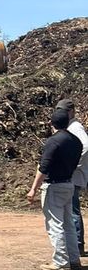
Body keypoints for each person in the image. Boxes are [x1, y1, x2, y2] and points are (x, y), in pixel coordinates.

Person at [27, 110, 83, 270]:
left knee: (55, 224)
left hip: (54, 186)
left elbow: (44, 167)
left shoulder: (53, 142)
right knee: (68, 224)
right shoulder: (76, 141)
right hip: (69, 184)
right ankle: (74, 259)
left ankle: (59, 261)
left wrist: (33, 189)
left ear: (52, 124)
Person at [55, 97, 87, 256]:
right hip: (72, 174)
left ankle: (78, 244)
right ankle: (75, 244)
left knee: (72, 210)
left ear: (71, 112)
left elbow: (86, 146)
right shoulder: (70, 127)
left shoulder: (75, 127)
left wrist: (73, 164)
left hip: (74, 175)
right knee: (70, 210)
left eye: (63, 111)